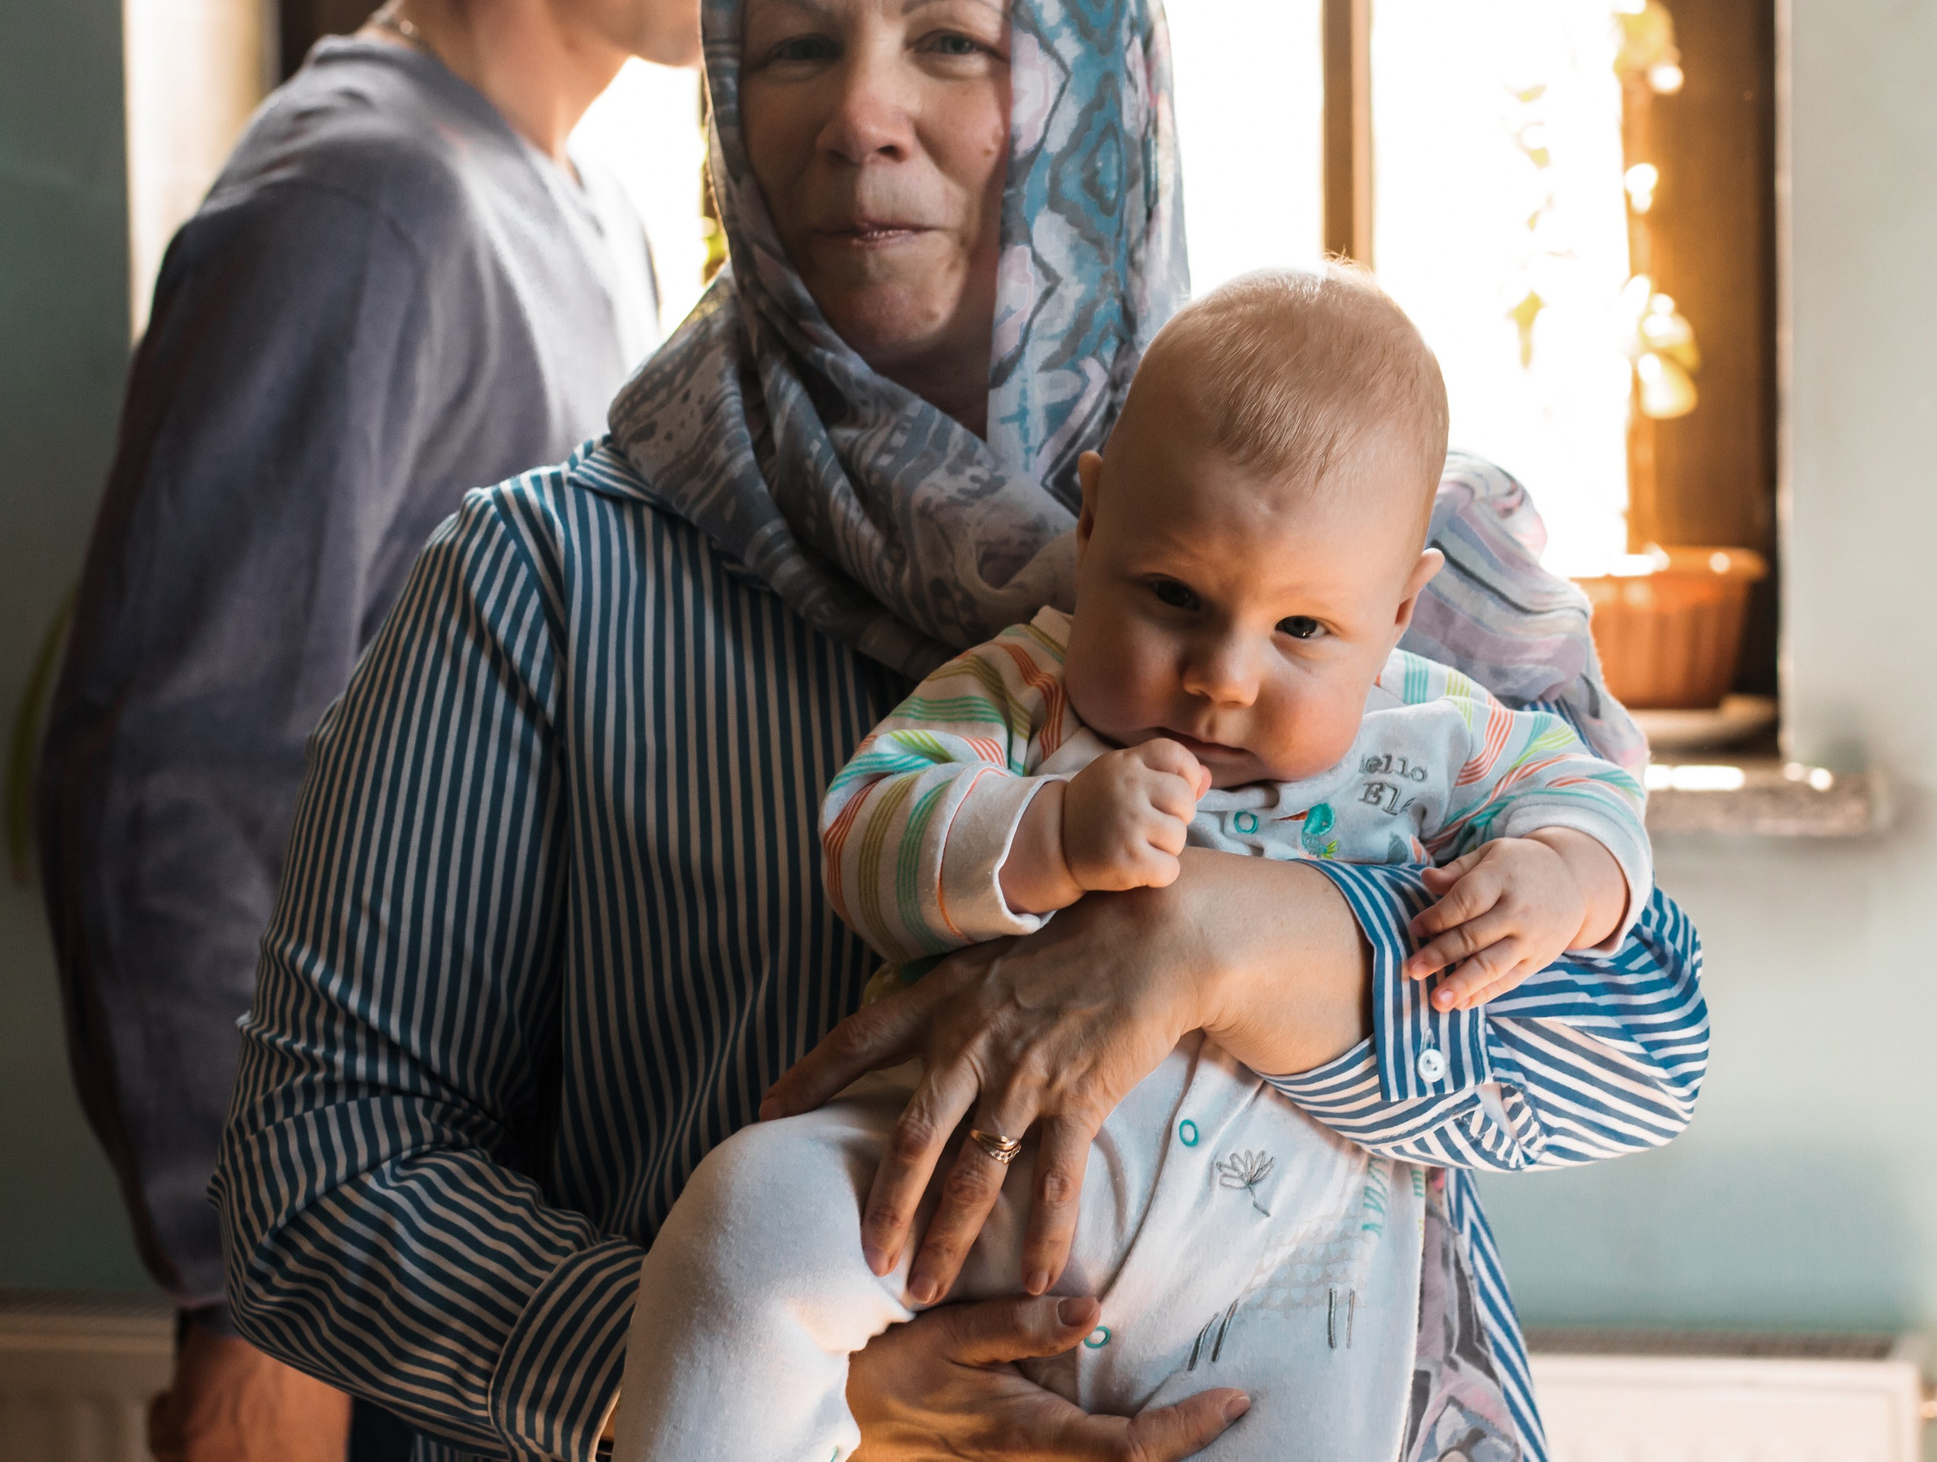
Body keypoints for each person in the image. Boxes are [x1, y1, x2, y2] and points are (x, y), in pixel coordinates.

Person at [211, 0, 1709, 1462]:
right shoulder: (538, 589)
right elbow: (314, 1176)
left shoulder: (1404, 544)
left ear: (1096, 88)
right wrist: (771, 1382)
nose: (862, 113)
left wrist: (1215, 941)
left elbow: (1643, 1050)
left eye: (954, 43)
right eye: (791, 47)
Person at [616, 265, 1665, 1460]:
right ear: (1097, 519)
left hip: (1282, 1289)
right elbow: (866, 829)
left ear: (1399, 610)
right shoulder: (1027, 687)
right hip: (949, 1206)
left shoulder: (1440, 731)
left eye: (1304, 630)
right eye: (1172, 594)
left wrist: (1568, 875)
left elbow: (1585, 794)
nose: (1222, 673)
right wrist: (1043, 834)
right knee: (740, 1225)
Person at [32, 0, 736, 1456]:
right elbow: (165, 789)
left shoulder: (588, 208)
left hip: (520, 1236)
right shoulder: (360, 207)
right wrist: (244, 1290)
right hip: (363, 1266)